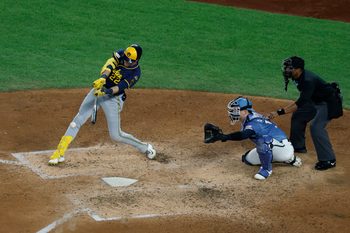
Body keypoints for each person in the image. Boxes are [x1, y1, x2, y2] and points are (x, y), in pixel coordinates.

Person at [48, 44, 156, 165]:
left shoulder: (136, 73)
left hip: (113, 99)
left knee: (116, 135)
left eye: (129, 61)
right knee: (78, 119)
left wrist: (106, 91)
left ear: (136, 60)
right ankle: (59, 152)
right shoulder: (121, 54)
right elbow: (110, 64)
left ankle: (144, 147)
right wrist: (103, 78)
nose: (126, 62)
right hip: (99, 89)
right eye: (125, 59)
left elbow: (121, 86)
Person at [269, 56, 342, 170]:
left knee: (316, 127)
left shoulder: (308, 80)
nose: (287, 70)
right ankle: (298, 146)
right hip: (314, 101)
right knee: (299, 115)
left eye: (290, 68)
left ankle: (328, 160)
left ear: (299, 69)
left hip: (328, 103)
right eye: (286, 67)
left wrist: (279, 112)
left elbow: (300, 103)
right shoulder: (297, 76)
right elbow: (303, 99)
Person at [204, 96, 302, 180]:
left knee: (263, 141)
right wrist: (224, 137)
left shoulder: (255, 122)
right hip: (274, 146)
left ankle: (267, 169)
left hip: (283, 148)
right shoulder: (249, 118)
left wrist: (224, 137)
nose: (232, 113)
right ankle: (278, 158)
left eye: (236, 110)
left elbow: (243, 135)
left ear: (245, 111)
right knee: (247, 159)